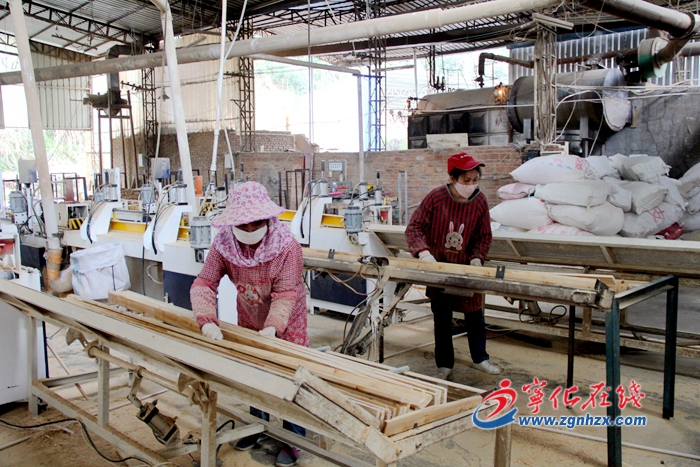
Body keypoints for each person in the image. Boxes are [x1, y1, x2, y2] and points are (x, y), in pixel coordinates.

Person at [190, 181, 307, 467]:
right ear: (232, 223)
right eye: (243, 224)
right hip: (249, 314)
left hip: (287, 320)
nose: (250, 229)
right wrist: (206, 319)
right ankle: (256, 426)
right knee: (253, 371)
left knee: (288, 376)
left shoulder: (287, 246)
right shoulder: (223, 245)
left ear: (268, 219)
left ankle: (294, 439)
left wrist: (273, 327)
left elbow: (286, 293)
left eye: (257, 223)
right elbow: (205, 282)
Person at [405, 152, 501, 380]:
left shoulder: (479, 201)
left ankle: (480, 358)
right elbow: (414, 228)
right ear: (453, 178)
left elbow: (484, 236)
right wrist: (424, 253)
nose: (471, 185)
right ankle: (444, 364)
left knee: (475, 316)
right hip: (440, 268)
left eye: (475, 180)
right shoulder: (436, 198)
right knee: (442, 318)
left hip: (467, 268)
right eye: (466, 180)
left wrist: (477, 257)